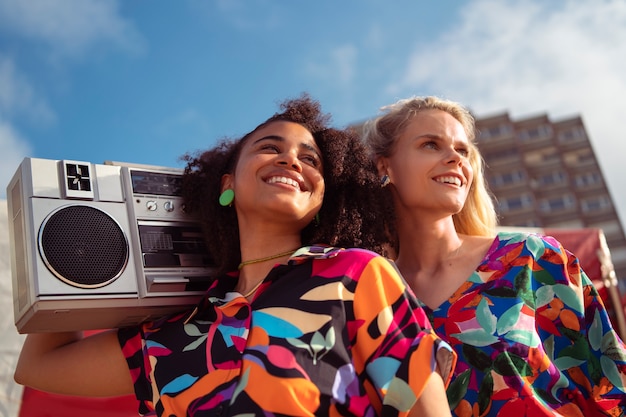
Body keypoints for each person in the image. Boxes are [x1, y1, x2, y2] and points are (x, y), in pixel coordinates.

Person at [14, 94, 456, 417]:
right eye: (270, 147)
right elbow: (39, 368)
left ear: (321, 197)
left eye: (310, 159)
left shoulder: (354, 275)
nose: (290, 160)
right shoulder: (171, 334)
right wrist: (85, 241)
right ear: (227, 185)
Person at [362, 95, 626, 416]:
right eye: (431, 144)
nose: (455, 159)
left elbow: (613, 383)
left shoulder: (530, 258)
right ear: (384, 165)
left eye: (462, 150)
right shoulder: (371, 297)